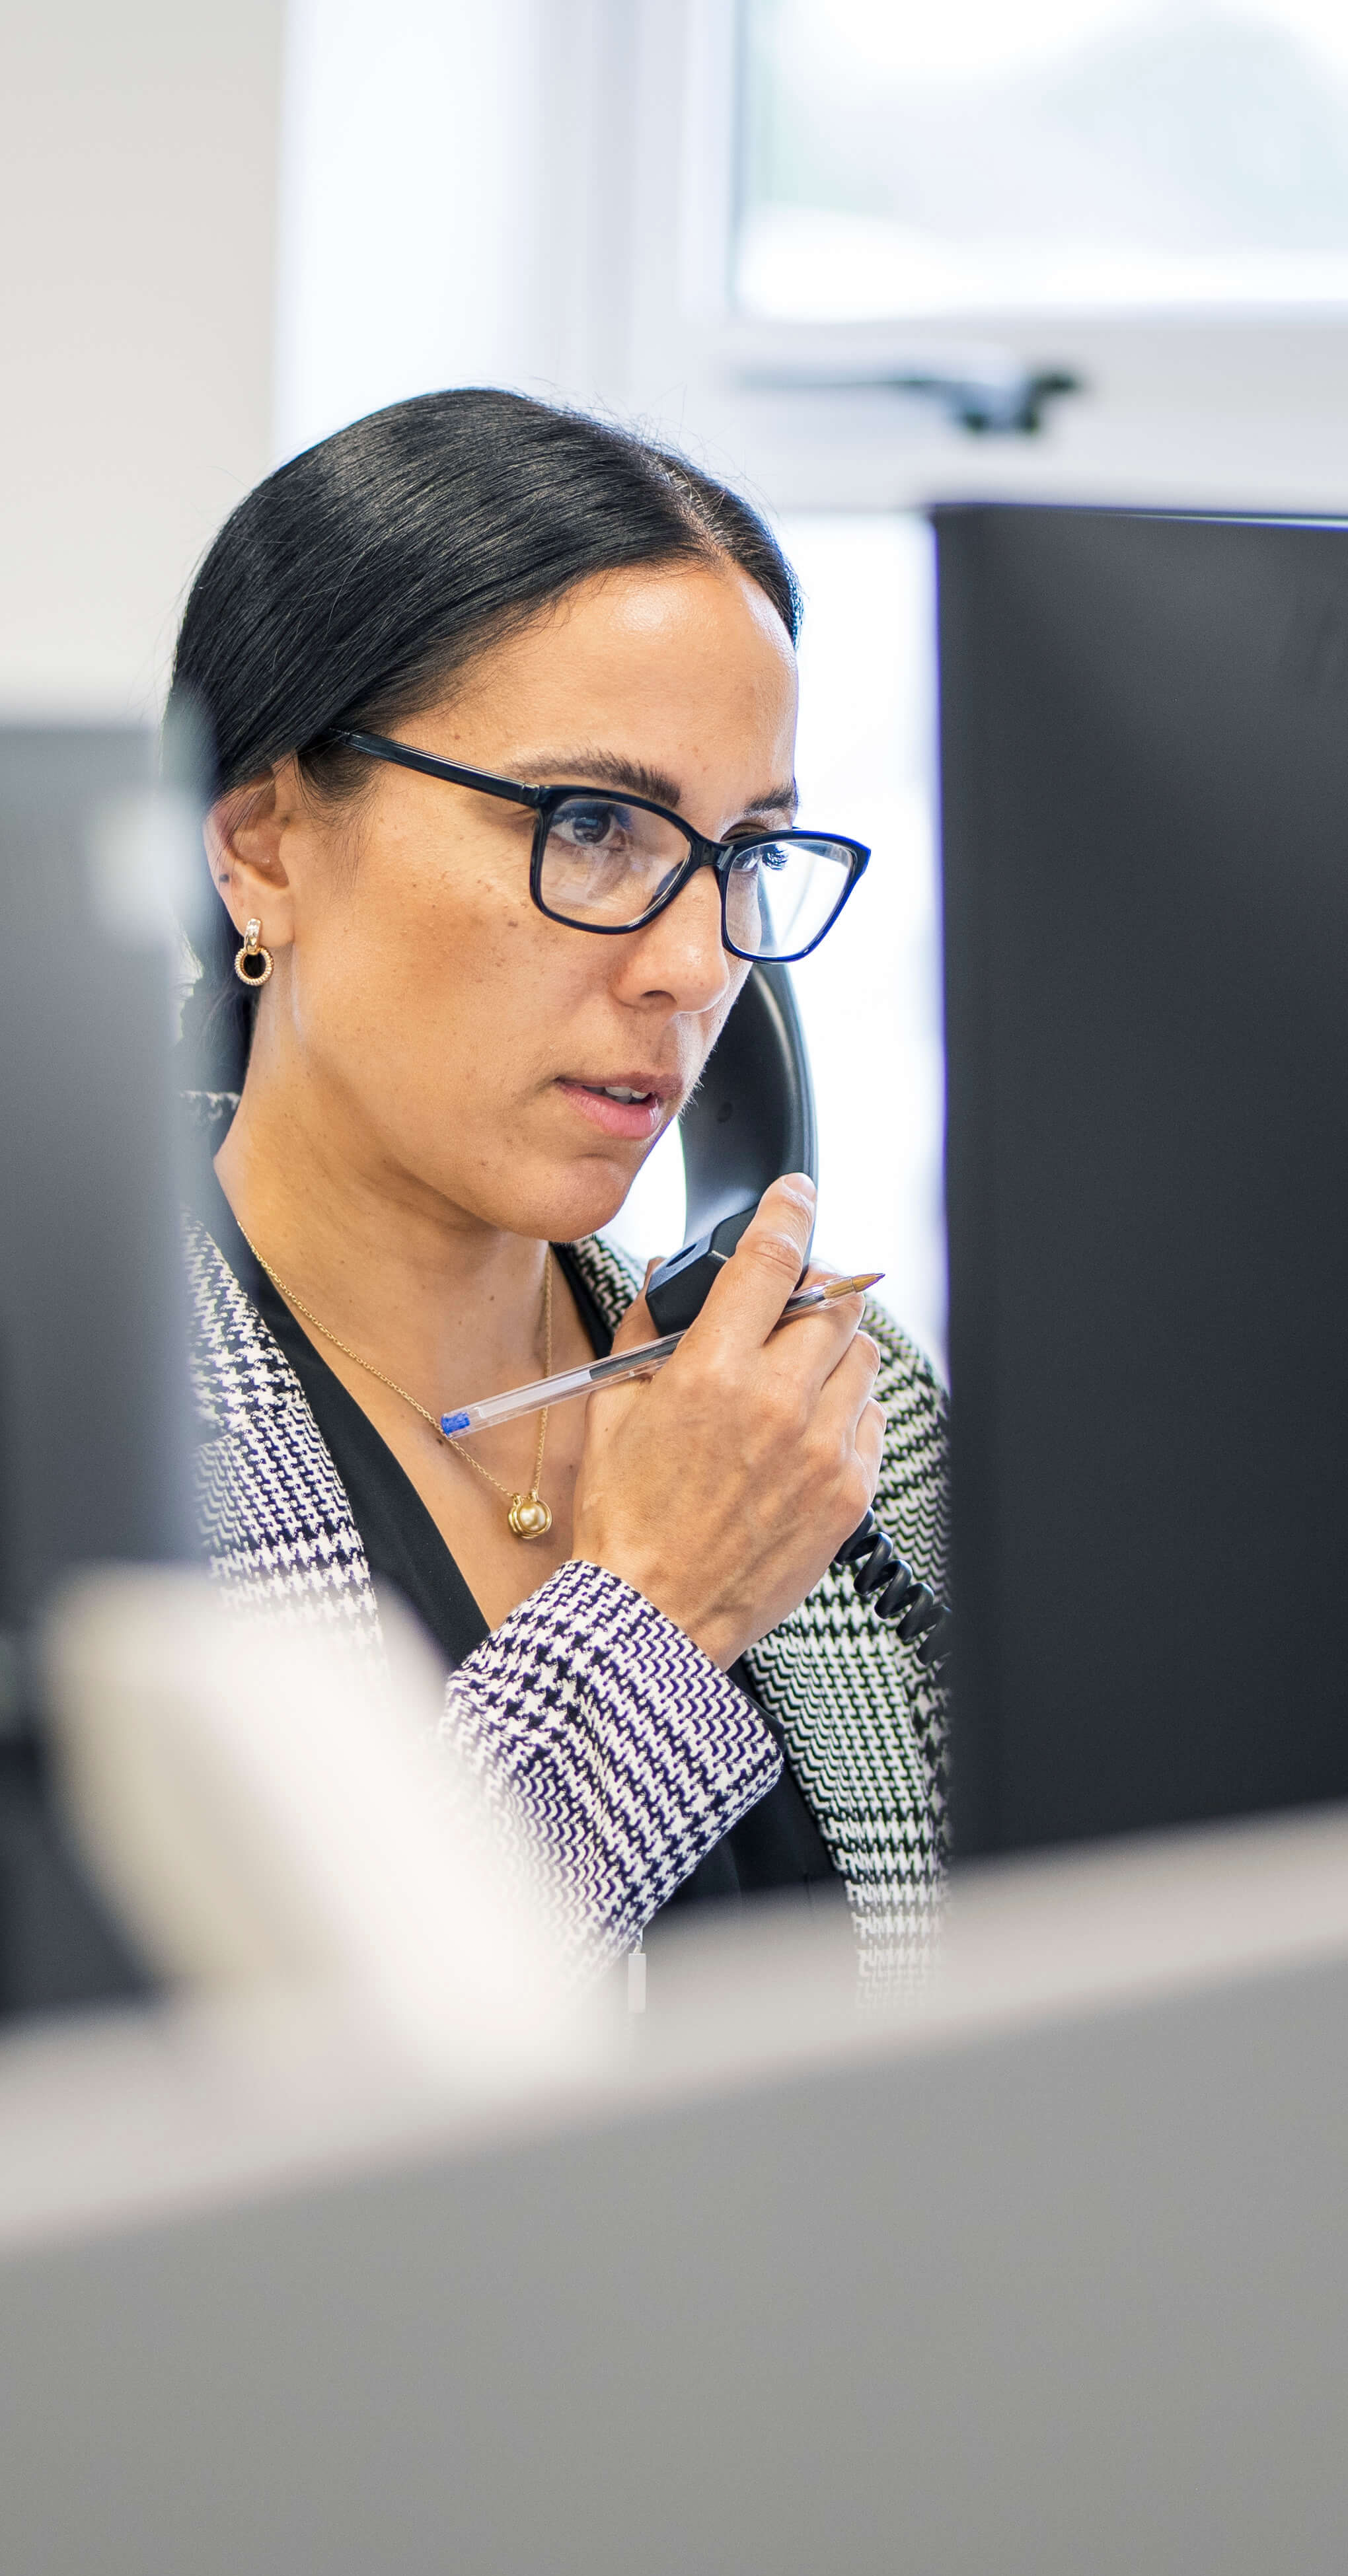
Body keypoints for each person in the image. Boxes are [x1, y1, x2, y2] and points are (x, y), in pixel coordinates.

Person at [170, 388, 946, 1989]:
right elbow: (269, 2078)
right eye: (594, 825)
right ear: (262, 842)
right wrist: (654, 1604)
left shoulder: (834, 1409)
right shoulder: (88, 1454)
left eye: (743, 857)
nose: (695, 966)